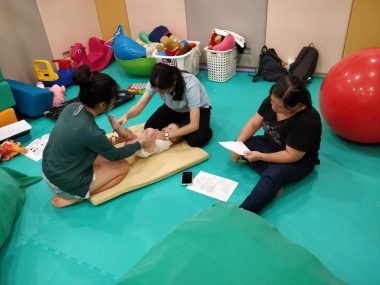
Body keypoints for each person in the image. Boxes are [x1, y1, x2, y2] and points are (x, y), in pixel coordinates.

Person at [42, 65, 153, 208]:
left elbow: (83, 142)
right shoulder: (92, 132)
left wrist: (115, 139)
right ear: (102, 104)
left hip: (48, 170)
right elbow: (117, 155)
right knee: (123, 167)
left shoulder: (71, 108)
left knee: (102, 158)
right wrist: (140, 143)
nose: (115, 103)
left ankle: (72, 190)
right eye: (114, 101)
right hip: (64, 183)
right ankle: (76, 197)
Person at [233, 74, 322, 214]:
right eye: (272, 102)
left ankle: (243, 212)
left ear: (296, 106)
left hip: (298, 160)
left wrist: (261, 157)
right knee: (242, 146)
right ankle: (273, 184)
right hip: (270, 145)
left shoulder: (307, 122)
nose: (273, 107)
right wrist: (238, 144)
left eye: (279, 106)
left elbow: (292, 156)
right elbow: (254, 123)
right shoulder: (273, 100)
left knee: (273, 175)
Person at [118, 63, 213, 147]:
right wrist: (126, 116)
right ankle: (180, 124)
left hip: (198, 110)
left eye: (162, 91)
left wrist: (167, 135)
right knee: (150, 127)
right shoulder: (155, 81)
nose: (159, 93)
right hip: (174, 108)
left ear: (173, 83)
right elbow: (139, 106)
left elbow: (194, 125)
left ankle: (199, 128)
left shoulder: (191, 85)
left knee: (196, 140)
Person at [108, 115, 181, 158]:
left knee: (150, 130)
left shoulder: (167, 142)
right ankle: (118, 129)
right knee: (129, 134)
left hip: (146, 150)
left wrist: (156, 132)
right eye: (167, 126)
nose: (166, 128)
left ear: (174, 138)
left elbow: (157, 136)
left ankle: (133, 141)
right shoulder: (162, 134)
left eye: (170, 129)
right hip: (140, 144)